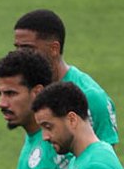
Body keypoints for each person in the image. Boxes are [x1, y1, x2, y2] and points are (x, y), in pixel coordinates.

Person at [13, 9, 117, 146]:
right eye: (17, 48)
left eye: (27, 48)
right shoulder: (34, 89)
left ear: (54, 49)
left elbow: (104, 161)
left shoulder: (91, 97)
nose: (20, 56)